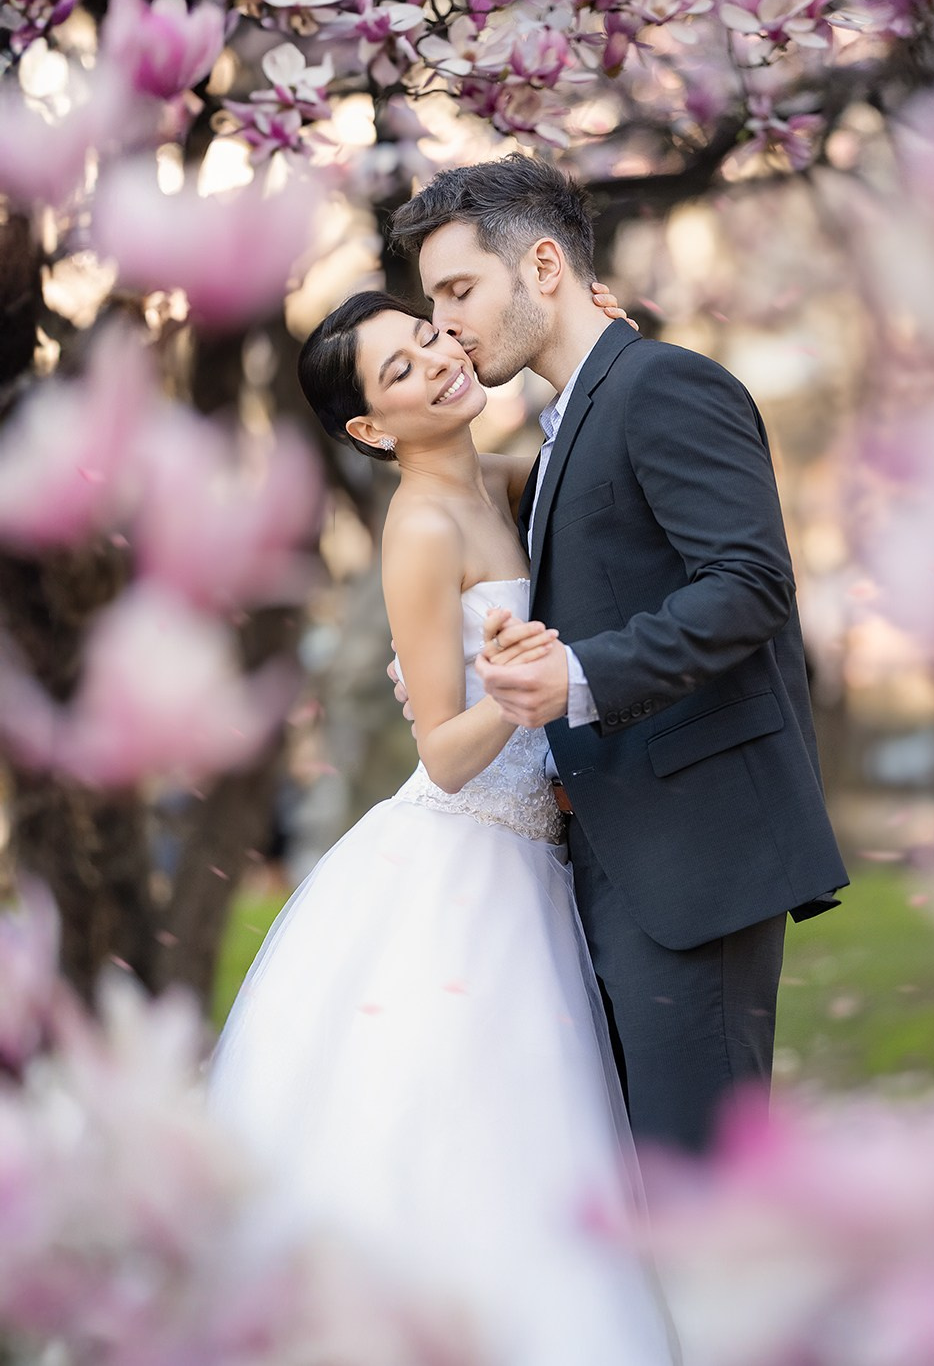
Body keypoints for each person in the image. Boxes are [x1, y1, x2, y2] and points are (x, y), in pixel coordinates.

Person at [206, 287, 679, 1366]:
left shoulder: (488, 480)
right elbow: (445, 756)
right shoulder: (418, 525)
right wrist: (525, 686)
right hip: (469, 857)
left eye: (428, 335)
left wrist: (610, 343)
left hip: (536, 852)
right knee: (464, 1129)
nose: (440, 362)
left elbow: (571, 462)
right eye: (405, 372)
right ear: (371, 428)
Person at [389, 155, 849, 1155]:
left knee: (699, 1199)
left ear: (543, 266)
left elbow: (749, 585)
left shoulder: (664, 386)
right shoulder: (567, 422)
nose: (448, 324)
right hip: (613, 855)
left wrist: (579, 678)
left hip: (696, 857)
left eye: (459, 290)